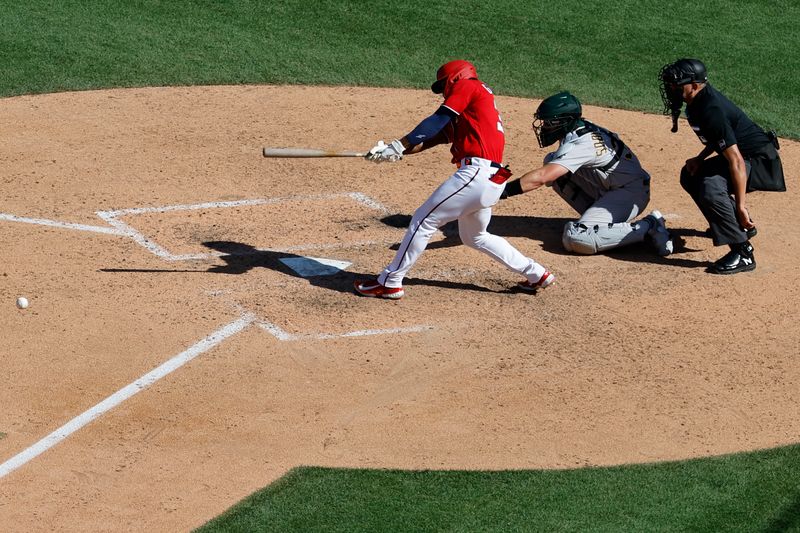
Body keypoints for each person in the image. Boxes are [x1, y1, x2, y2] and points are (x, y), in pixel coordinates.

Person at [353, 59, 553, 300]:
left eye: (444, 86)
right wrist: (393, 152)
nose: (444, 93)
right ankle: (536, 274)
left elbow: (436, 120)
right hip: (489, 179)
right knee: (475, 236)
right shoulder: (473, 110)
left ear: (454, 78)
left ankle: (390, 282)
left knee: (422, 221)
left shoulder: (468, 86)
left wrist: (399, 143)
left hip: (476, 175)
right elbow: (434, 137)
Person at [501, 91, 673, 256]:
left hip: (629, 193)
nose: (544, 127)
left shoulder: (581, 145)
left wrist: (503, 191)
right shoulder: (581, 127)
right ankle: (599, 218)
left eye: (549, 123)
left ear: (566, 121)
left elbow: (542, 178)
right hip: (614, 185)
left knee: (576, 238)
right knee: (552, 160)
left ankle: (649, 226)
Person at [659, 58, 785, 274]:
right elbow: (720, 139)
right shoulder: (696, 101)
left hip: (759, 162)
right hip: (744, 157)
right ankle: (731, 225)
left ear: (695, 85)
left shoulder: (710, 109)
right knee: (690, 174)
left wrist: (741, 206)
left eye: (676, 85)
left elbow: (735, 160)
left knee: (711, 186)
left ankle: (743, 252)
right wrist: (700, 158)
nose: (672, 89)